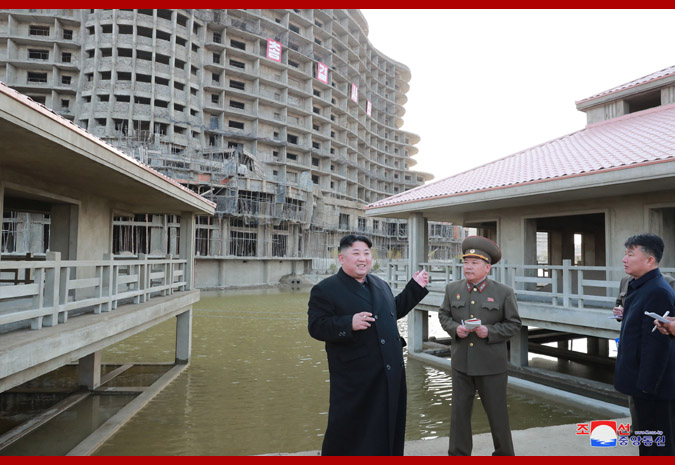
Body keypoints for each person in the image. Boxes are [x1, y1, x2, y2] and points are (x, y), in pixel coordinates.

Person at [307, 234, 429, 455]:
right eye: (356, 254)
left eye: (366, 253)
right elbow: (316, 326)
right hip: (355, 376)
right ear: (341, 258)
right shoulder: (326, 289)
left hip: (389, 372)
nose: (363, 259)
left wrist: (415, 288)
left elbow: (392, 312)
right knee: (351, 428)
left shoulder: (380, 284)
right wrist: (348, 323)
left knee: (387, 425)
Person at [438, 236, 521, 456]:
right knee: (459, 415)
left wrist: (490, 331)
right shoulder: (452, 288)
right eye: (466, 262)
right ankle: (458, 455)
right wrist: (455, 329)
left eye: (474, 263)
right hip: (461, 363)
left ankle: (504, 455)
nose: (468, 267)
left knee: (497, 415)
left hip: (491, 365)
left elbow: (514, 324)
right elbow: (444, 315)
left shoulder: (503, 292)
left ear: (487, 268)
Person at [614, 234, 675, 456]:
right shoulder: (640, 286)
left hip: (652, 388)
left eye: (631, 254)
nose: (624, 259)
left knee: (657, 444)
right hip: (641, 383)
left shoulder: (658, 290)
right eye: (625, 253)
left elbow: (657, 347)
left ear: (650, 260)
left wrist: (647, 387)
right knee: (648, 442)